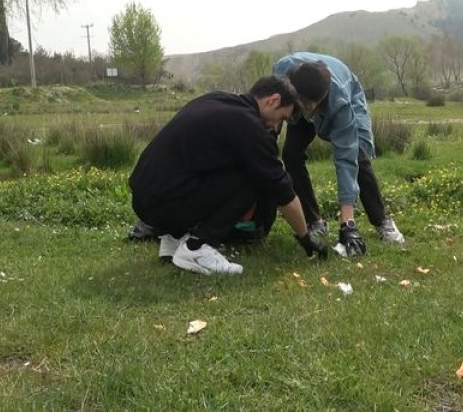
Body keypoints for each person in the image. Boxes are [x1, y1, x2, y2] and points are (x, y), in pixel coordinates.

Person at [129, 76, 328, 275]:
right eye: (281, 118)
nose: (276, 126)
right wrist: (305, 237)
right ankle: (196, 246)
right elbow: (282, 188)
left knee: (233, 166)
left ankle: (173, 239)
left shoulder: (218, 100)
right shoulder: (249, 125)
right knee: (258, 176)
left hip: (145, 196)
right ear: (273, 100)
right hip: (164, 203)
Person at [273, 52, 405, 257]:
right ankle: (314, 221)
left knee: (358, 156)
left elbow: (346, 159)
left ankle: (382, 221)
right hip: (300, 97)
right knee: (291, 154)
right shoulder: (282, 74)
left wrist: (347, 223)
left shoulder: (339, 101)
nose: (312, 111)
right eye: (307, 106)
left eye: (314, 106)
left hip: (345, 90)